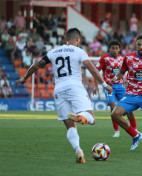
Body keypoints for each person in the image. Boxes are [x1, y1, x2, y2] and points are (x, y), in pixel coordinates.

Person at [16, 28, 112, 163]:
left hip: (59, 90)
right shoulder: (79, 51)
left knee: (70, 126)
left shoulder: (53, 52)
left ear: (67, 38)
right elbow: (91, 68)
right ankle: (82, 116)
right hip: (75, 87)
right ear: (78, 39)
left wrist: (25, 78)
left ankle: (78, 150)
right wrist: (104, 85)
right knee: (91, 118)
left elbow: (36, 65)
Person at [93, 40, 142, 137]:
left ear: (119, 49)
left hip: (120, 86)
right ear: (109, 49)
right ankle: (116, 131)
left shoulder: (122, 58)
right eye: (113, 48)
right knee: (113, 106)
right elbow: (96, 72)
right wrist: (96, 86)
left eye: (117, 48)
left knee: (129, 107)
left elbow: (127, 72)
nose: (115, 50)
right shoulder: (104, 58)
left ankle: (135, 130)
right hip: (109, 86)